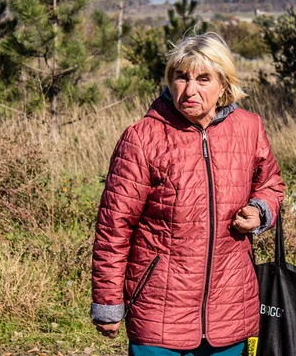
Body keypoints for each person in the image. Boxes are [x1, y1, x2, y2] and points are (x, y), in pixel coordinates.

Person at [90, 32, 285, 356]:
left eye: (203, 78)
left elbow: (271, 183)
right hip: (158, 311)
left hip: (231, 307)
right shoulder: (142, 138)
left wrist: (260, 210)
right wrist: (108, 302)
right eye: (181, 77)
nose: (189, 89)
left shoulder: (249, 128)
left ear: (224, 83)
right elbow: (114, 226)